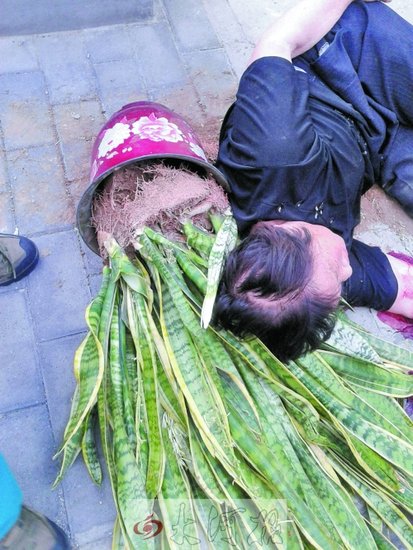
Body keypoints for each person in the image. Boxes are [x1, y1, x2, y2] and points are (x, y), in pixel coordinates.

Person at [214, 0, 413, 362]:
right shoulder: (299, 279)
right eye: (340, 284)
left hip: (351, 62)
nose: (349, 269)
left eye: (338, 274)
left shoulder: (272, 149)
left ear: (294, 235)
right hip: (377, 143)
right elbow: (397, 287)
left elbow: (279, 40)